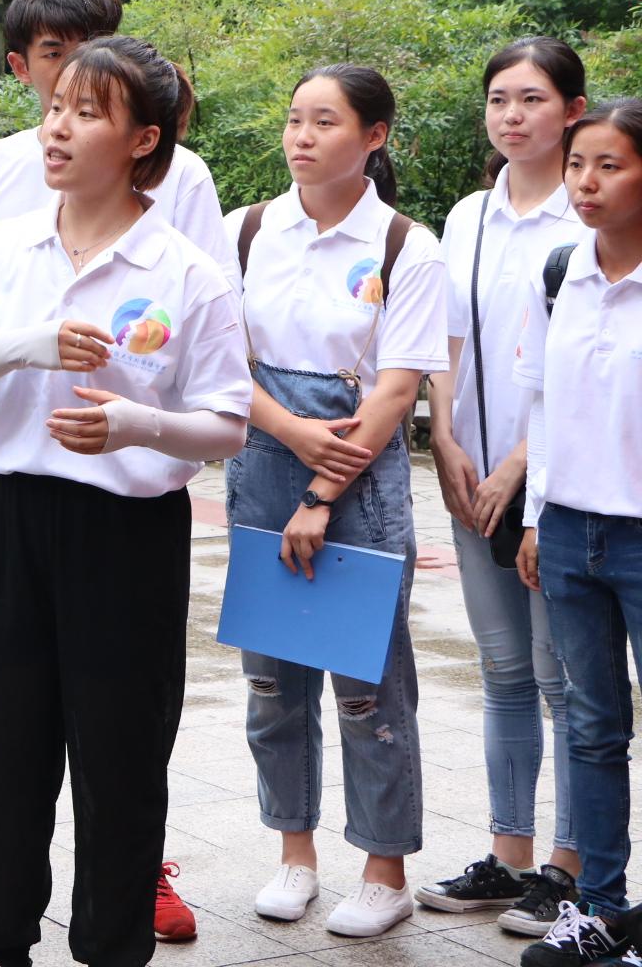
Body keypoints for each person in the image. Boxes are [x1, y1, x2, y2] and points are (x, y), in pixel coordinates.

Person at [0, 35, 251, 967]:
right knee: (9, 743)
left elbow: (227, 424)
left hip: (128, 536)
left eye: (86, 113)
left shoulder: (186, 272)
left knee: (121, 757)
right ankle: (3, 939)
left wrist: (138, 426)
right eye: (56, 106)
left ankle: (111, 944)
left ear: (144, 140)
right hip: (11, 521)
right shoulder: (7, 250)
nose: (56, 129)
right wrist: (27, 346)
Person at [226, 64, 447, 938]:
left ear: (374, 136)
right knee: (272, 682)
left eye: (325, 121)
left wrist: (321, 488)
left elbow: (396, 389)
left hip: (358, 481)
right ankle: (295, 854)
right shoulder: (246, 230)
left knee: (368, 687)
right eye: (294, 119)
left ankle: (385, 871)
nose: (302, 136)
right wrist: (290, 432)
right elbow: (221, 361)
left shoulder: (405, 246)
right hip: (263, 462)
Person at [417, 39, 585, 934]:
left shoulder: (589, 214)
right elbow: (444, 338)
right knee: (504, 671)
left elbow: (577, 363)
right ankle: (508, 855)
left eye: (531, 99)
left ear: (573, 111)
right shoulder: (469, 215)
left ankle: (570, 866)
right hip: (471, 475)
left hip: (557, 485)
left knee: (565, 681)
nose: (511, 116)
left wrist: (521, 462)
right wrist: (442, 435)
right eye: (498, 100)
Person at [511, 99, 642, 967]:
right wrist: (535, 517)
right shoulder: (559, 272)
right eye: (577, 165)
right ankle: (599, 909)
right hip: (568, 533)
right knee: (591, 728)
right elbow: (542, 405)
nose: (586, 183)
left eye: (610, 165)